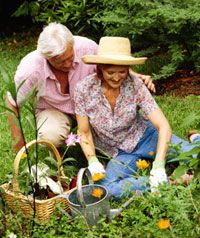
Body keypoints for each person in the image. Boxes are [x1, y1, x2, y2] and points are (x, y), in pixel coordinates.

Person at [74, 36, 200, 199]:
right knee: (106, 188)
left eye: (122, 72)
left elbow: (164, 126)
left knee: (197, 157)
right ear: (100, 69)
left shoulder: (135, 85)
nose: (117, 77)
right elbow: (84, 132)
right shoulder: (83, 90)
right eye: (110, 72)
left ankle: (195, 140)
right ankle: (168, 182)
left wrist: (159, 165)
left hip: (146, 137)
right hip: (120, 153)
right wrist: (92, 160)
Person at [6, 22, 155, 153]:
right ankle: (57, 154)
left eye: (70, 57)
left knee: (114, 123)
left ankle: (117, 143)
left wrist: (135, 76)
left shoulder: (87, 47)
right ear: (47, 57)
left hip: (89, 106)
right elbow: (12, 104)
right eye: (60, 62)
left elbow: (112, 64)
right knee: (50, 134)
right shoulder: (30, 69)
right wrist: (18, 144)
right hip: (54, 109)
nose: (67, 64)